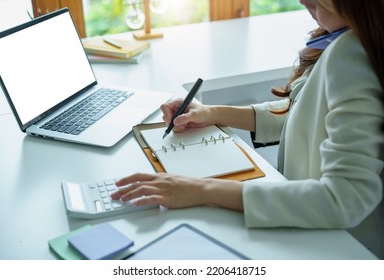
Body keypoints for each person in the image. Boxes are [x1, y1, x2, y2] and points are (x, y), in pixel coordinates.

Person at [112, 0, 384, 258]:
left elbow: (343, 199)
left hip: (342, 245)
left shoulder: (352, 51)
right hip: (314, 224)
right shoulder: (353, 35)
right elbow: (305, 110)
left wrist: (200, 189)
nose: (302, 2)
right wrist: (212, 113)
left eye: (320, 2)